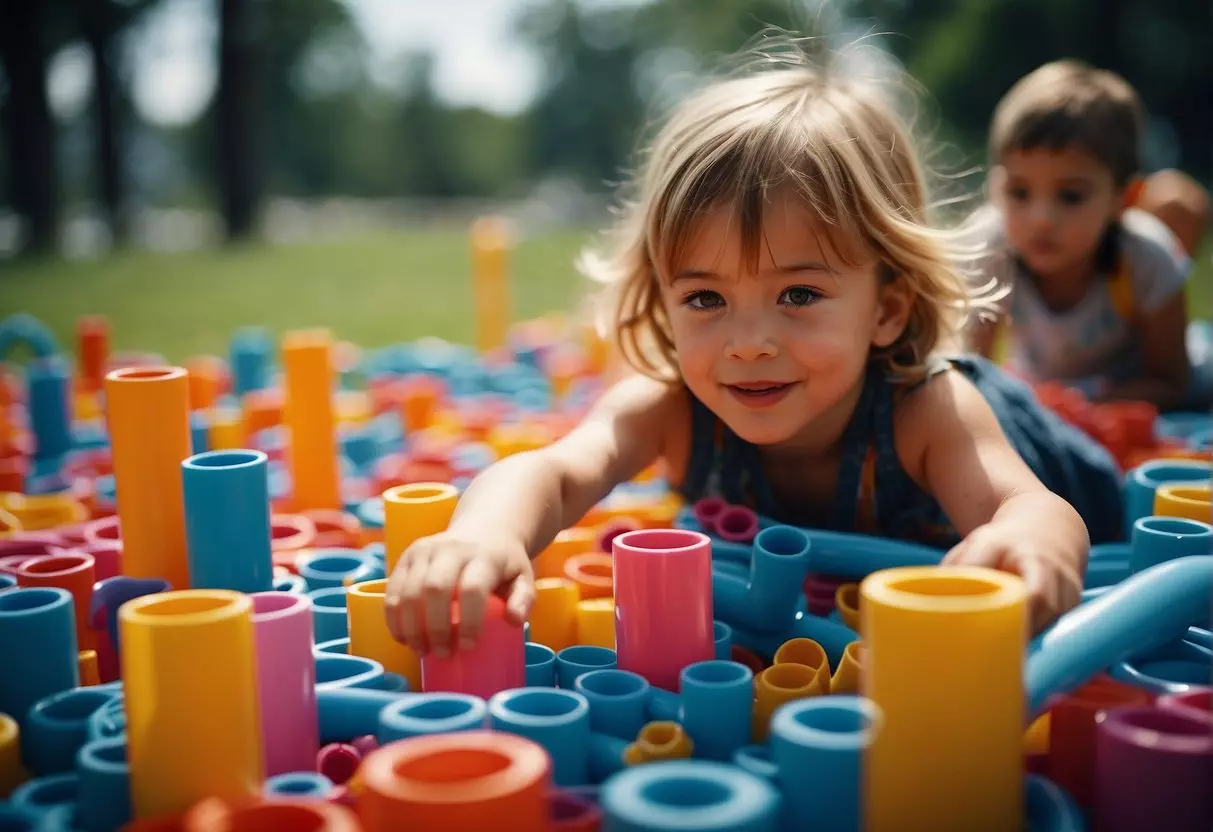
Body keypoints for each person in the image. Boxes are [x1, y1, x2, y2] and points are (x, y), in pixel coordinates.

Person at [384, 37, 1124, 658]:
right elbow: (551, 471)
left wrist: (1032, 543)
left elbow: (1031, 507)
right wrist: (482, 536)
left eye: (797, 296)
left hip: (1050, 454)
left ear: (886, 308)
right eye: (705, 299)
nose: (747, 346)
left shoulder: (926, 410)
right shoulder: (671, 404)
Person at [966, 59, 1210, 412]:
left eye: (1071, 196)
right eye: (1019, 192)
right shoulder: (990, 249)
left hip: (1143, 394)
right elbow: (971, 372)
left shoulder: (1147, 257)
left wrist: (1087, 407)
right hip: (1044, 397)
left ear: (1123, 199)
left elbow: (1171, 382)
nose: (1042, 219)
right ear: (995, 188)